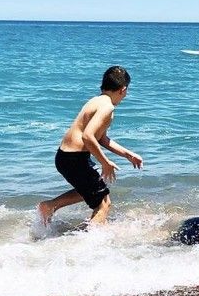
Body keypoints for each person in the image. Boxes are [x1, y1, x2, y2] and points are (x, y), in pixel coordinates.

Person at [37, 66, 143, 225]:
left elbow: (101, 139)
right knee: (104, 203)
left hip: (64, 157)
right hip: (75, 159)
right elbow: (88, 136)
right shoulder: (107, 107)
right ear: (123, 89)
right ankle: (88, 243)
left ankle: (50, 206)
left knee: (88, 190)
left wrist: (128, 154)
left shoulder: (96, 100)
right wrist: (105, 162)